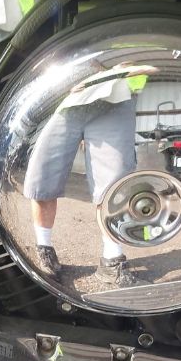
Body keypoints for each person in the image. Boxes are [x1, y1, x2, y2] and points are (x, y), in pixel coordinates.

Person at [23, 62, 154, 287]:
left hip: (114, 100)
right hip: (71, 101)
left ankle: (112, 261)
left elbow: (148, 68)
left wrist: (119, 70)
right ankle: (44, 249)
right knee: (43, 175)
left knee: (113, 187)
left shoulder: (128, 55)